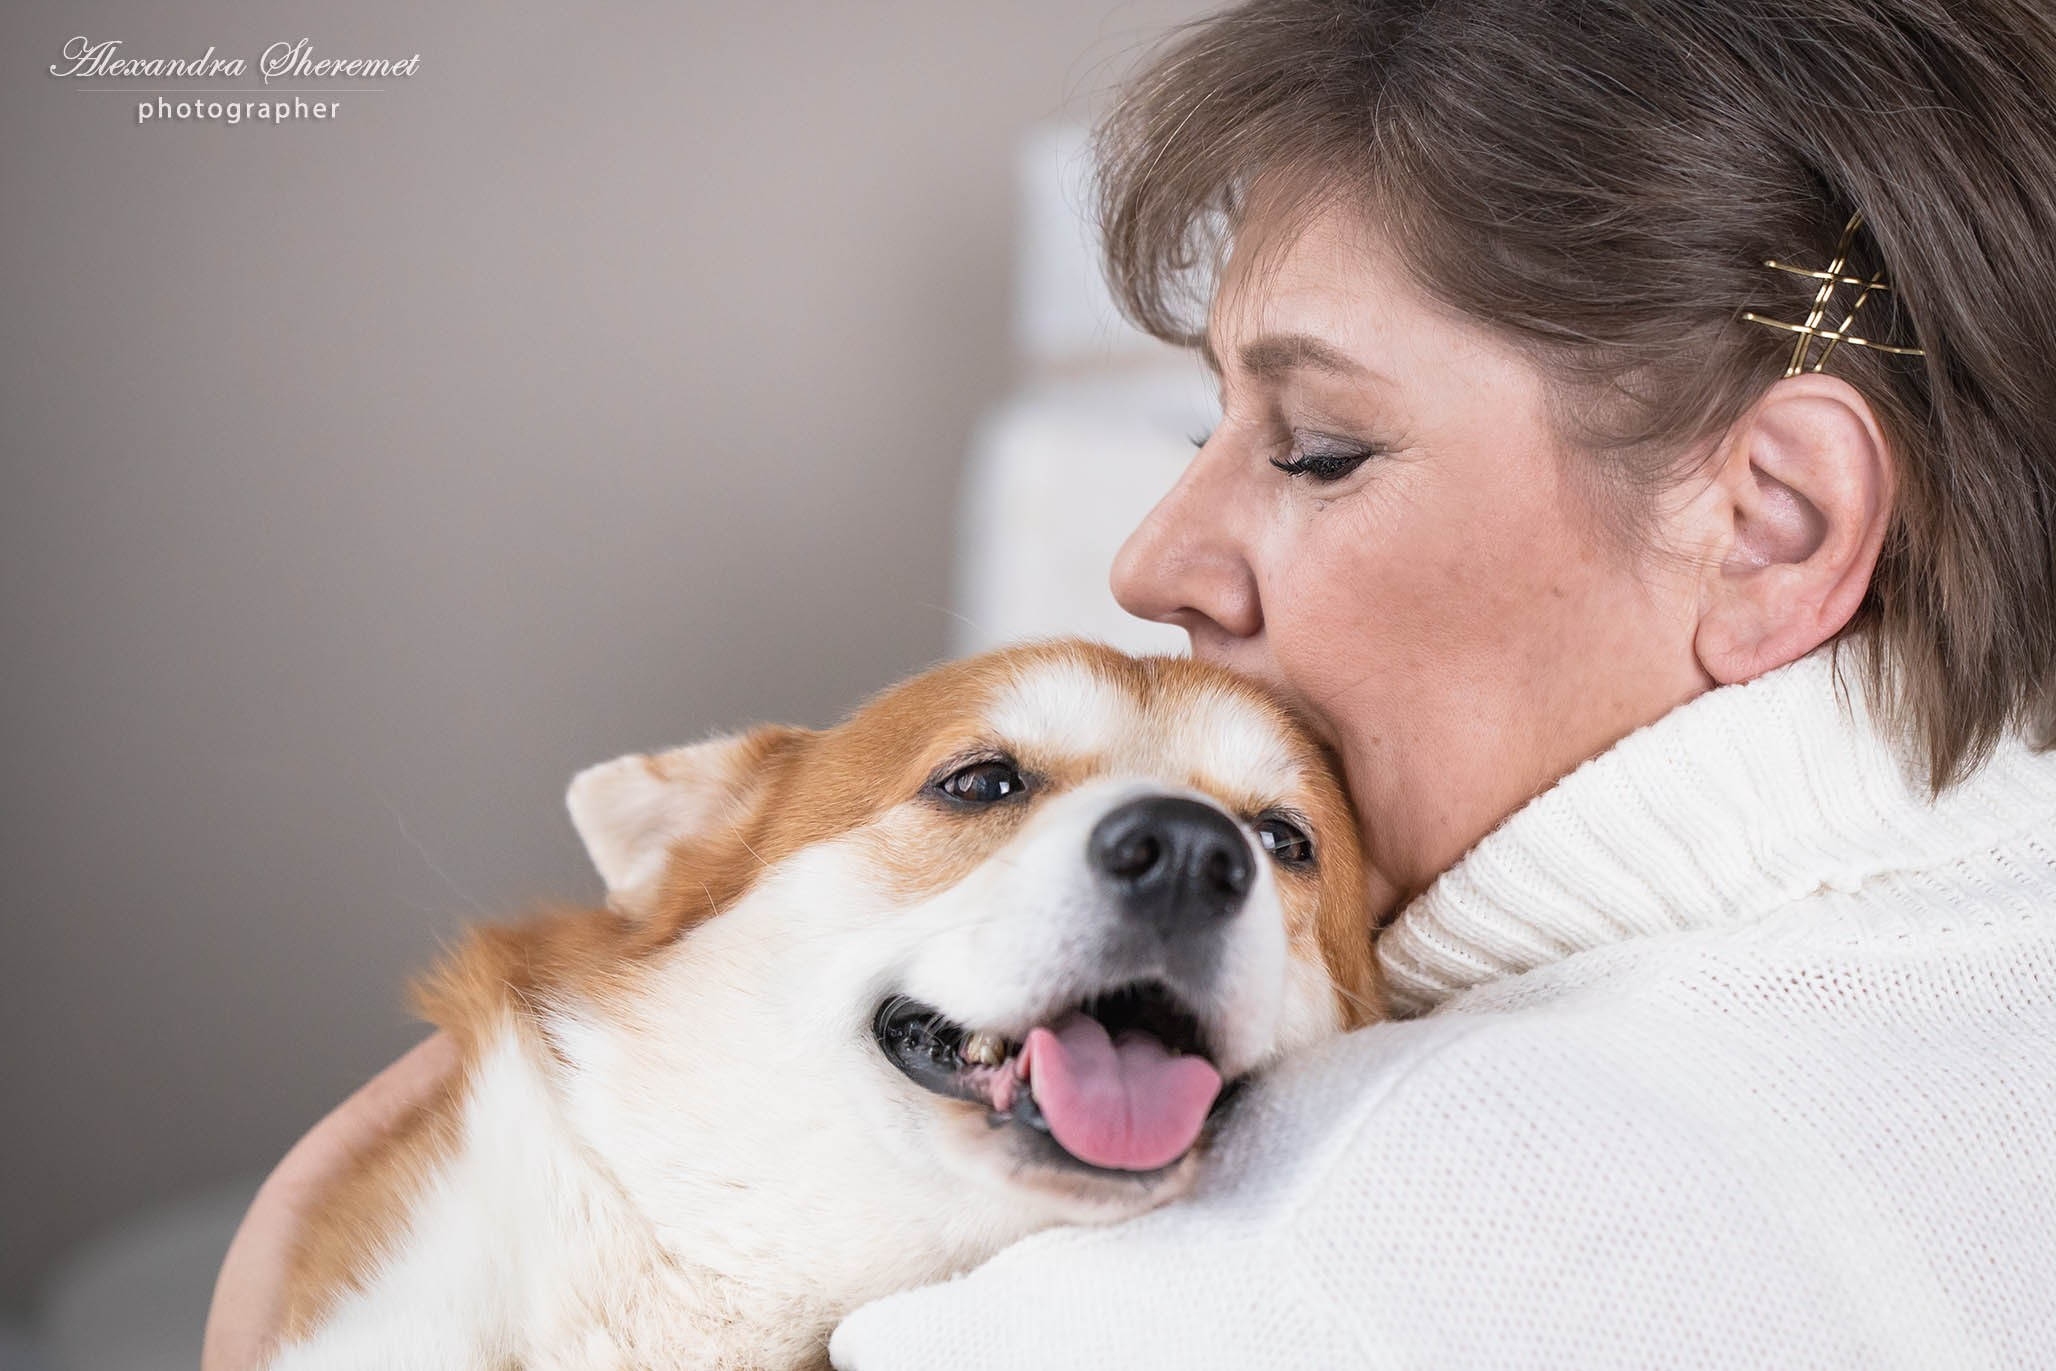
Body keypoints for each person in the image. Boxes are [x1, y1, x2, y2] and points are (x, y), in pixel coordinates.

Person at [205, 0, 2056, 1365]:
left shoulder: (1385, 1239)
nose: (1155, 560)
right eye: (1205, 428)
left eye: (1321, 446)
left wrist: (269, 1295)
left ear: (1777, 517)